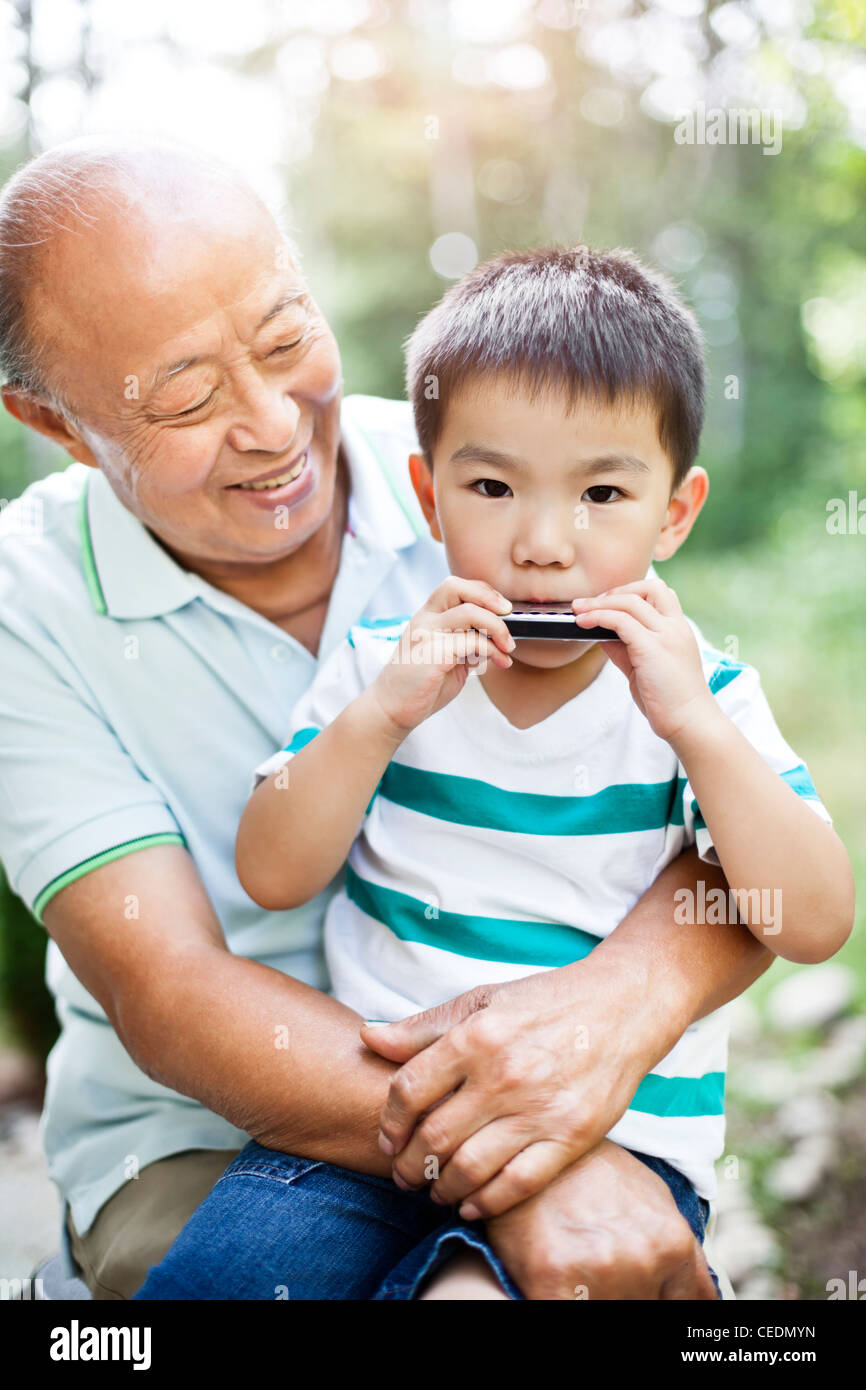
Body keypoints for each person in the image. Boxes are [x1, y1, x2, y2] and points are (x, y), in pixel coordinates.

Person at [0, 138, 775, 1302]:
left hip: (558, 1100)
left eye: (283, 338)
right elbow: (170, 996)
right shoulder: (28, 608)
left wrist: (617, 1013)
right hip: (200, 1136)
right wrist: (521, 1158)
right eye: (187, 396)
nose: (270, 424)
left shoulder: (498, 465)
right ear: (53, 423)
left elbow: (710, 808)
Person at [132, 248, 853, 1300]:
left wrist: (693, 726)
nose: (543, 544)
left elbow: (812, 919)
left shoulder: (703, 702)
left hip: (605, 1147)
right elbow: (272, 868)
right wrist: (380, 715)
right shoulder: (385, 666)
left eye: (602, 491)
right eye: (490, 485)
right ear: (429, 495)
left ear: (674, 512)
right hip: (356, 1135)